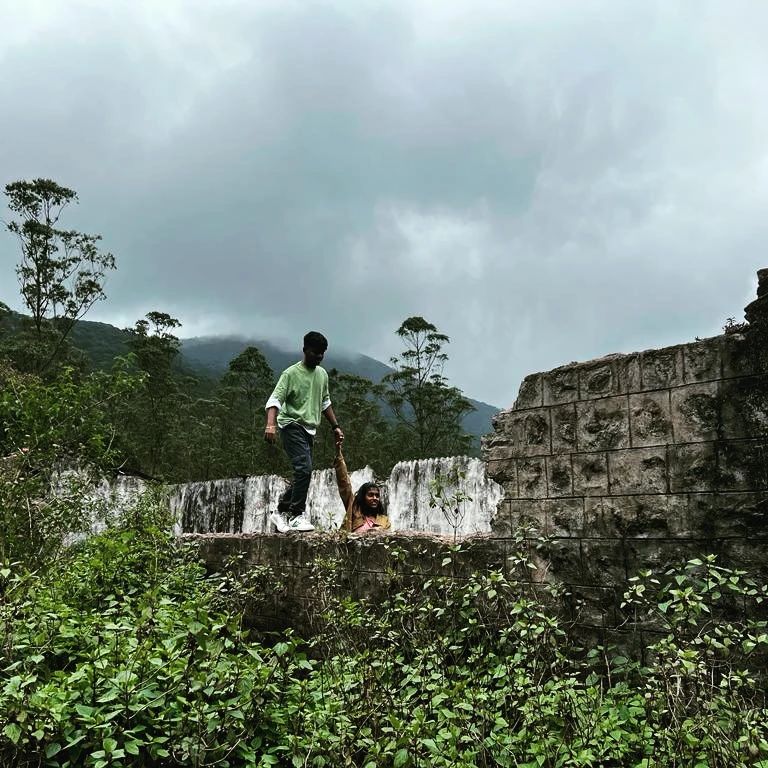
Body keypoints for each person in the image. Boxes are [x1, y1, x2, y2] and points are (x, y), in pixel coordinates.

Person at [265, 331, 344, 533]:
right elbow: (275, 400)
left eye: (322, 353)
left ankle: (281, 511)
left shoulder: (322, 375)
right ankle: (296, 515)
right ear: (304, 350)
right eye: (315, 352)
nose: (319, 357)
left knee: (304, 473)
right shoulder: (290, 374)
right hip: (290, 425)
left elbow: (325, 402)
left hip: (309, 429)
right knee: (304, 469)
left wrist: (335, 426)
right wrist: (270, 425)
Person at [334, 441, 391, 533]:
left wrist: (378, 531)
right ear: (363, 497)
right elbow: (344, 483)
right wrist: (338, 452)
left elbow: (389, 539)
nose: (375, 498)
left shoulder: (384, 520)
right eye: (371, 495)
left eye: (377, 495)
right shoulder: (354, 511)